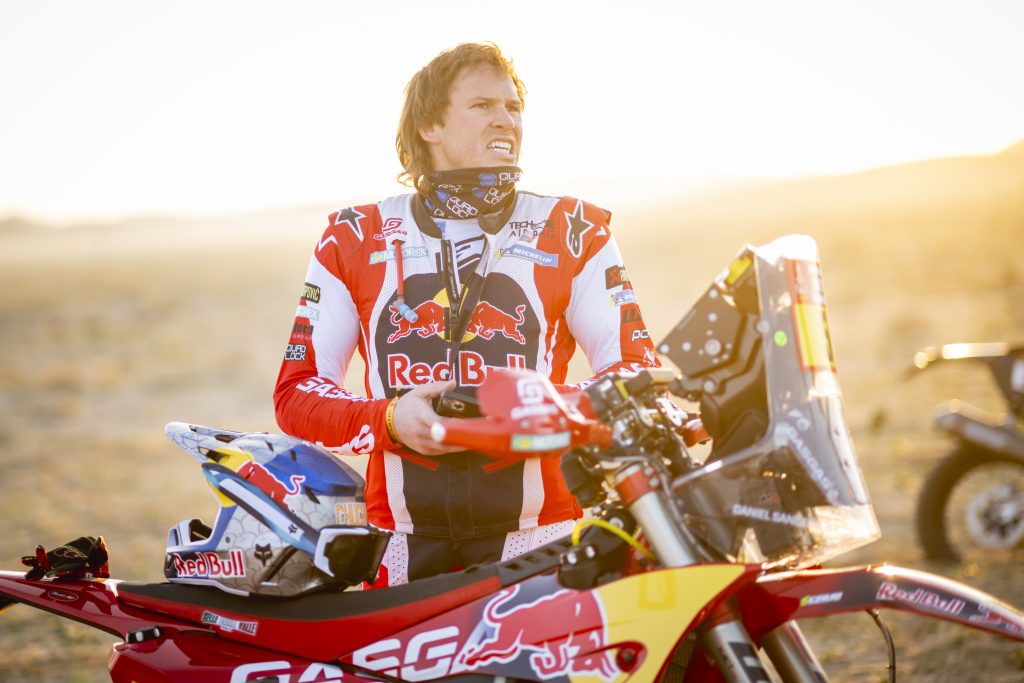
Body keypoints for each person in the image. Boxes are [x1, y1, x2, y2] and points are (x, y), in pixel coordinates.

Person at [274, 42, 660, 586]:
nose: (507, 120)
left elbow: (635, 373)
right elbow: (297, 394)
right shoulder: (352, 236)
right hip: (400, 548)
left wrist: (545, 412)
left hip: (541, 542)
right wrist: (388, 420)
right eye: (483, 106)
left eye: (513, 107)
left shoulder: (574, 229)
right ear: (431, 124)